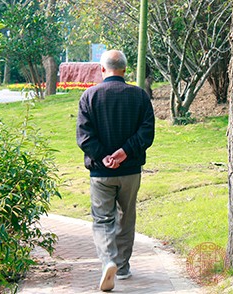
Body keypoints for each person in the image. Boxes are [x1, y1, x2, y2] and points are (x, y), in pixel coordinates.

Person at [76, 50, 155, 291]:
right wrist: (125, 152)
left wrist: (104, 157)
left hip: (101, 173)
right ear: (124, 69)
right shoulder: (140, 96)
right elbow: (147, 132)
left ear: (102, 69)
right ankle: (122, 267)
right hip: (131, 171)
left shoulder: (89, 96)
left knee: (102, 220)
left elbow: (84, 137)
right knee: (126, 216)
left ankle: (108, 260)